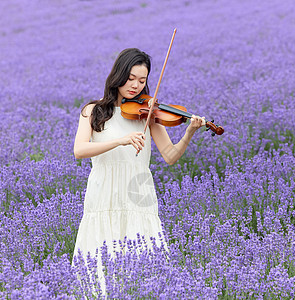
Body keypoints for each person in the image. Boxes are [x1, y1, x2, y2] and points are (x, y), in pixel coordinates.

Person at [72, 48, 205, 290]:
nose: (135, 86)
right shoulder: (93, 111)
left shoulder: (148, 115)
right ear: (118, 75)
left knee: (144, 261)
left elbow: (170, 156)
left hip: (138, 195)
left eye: (142, 81)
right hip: (104, 195)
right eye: (131, 78)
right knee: (100, 268)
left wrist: (189, 132)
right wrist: (120, 141)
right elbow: (79, 150)